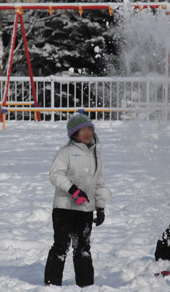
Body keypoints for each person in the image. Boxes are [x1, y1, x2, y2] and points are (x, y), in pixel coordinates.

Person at [44, 113, 112, 287]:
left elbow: (99, 182)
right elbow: (55, 175)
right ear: (74, 134)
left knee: (83, 248)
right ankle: (52, 285)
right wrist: (73, 190)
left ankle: (86, 285)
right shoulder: (65, 152)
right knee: (61, 246)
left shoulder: (96, 156)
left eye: (90, 129)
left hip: (85, 211)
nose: (88, 133)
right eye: (83, 130)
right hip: (64, 208)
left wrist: (101, 206)